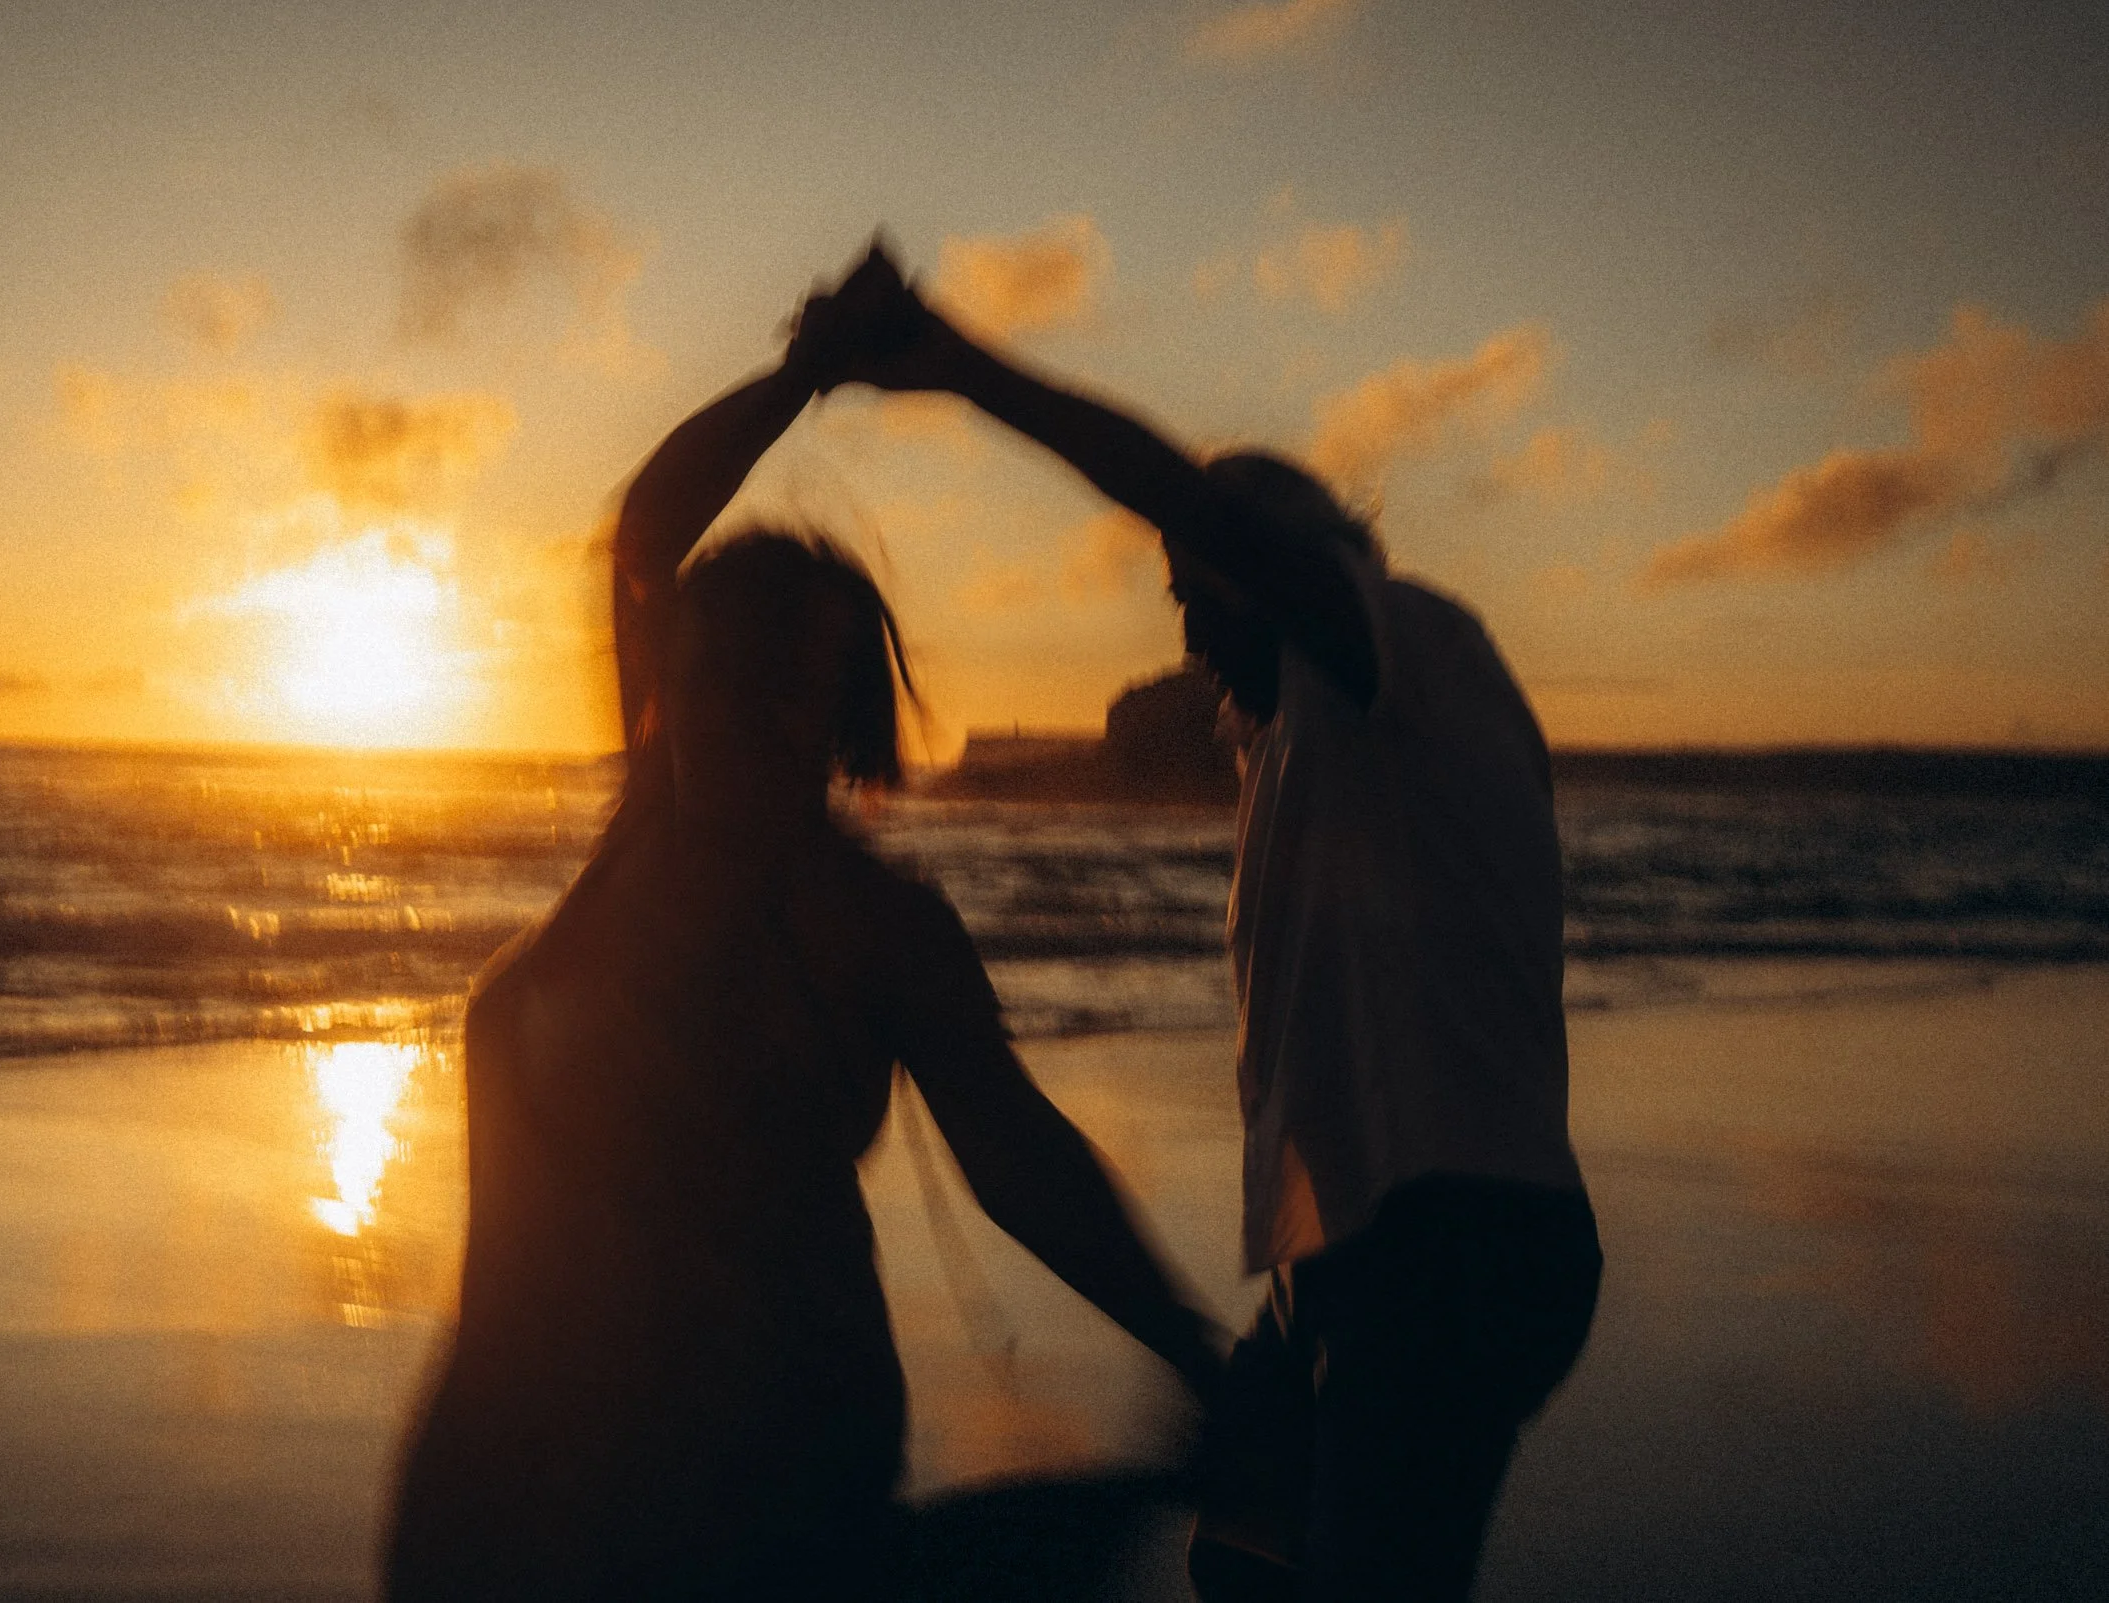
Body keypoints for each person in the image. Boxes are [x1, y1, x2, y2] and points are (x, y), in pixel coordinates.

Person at [382, 290, 1228, 1603]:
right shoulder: (642, 832)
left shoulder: (874, 925)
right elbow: (645, 533)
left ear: (842, 719)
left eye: (788, 681)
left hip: (759, 1478)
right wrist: (803, 373)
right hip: (506, 1481)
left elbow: (1018, 1157)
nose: (743, 708)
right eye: (714, 670)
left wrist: (1195, 1351)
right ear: (668, 687)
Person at [807, 250, 1603, 1602]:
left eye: (1194, 588)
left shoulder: (1414, 648)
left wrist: (956, 366)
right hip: (1353, 1251)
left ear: (1280, 568)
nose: (1183, 632)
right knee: (1240, 1553)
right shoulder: (1313, 739)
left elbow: (1180, 497)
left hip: (1456, 1242)